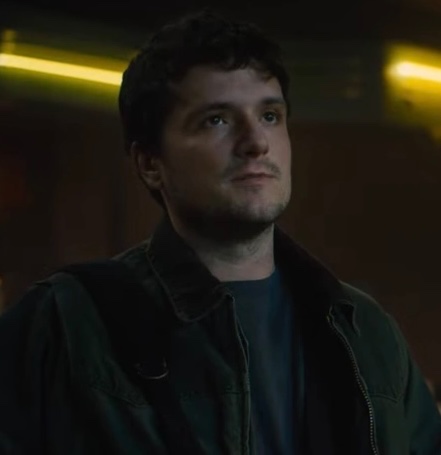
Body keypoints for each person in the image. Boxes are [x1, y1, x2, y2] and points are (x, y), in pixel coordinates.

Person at [0, 11, 440, 455]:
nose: (256, 142)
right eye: (216, 120)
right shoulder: (66, 325)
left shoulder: (364, 330)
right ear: (150, 164)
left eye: (270, 115)